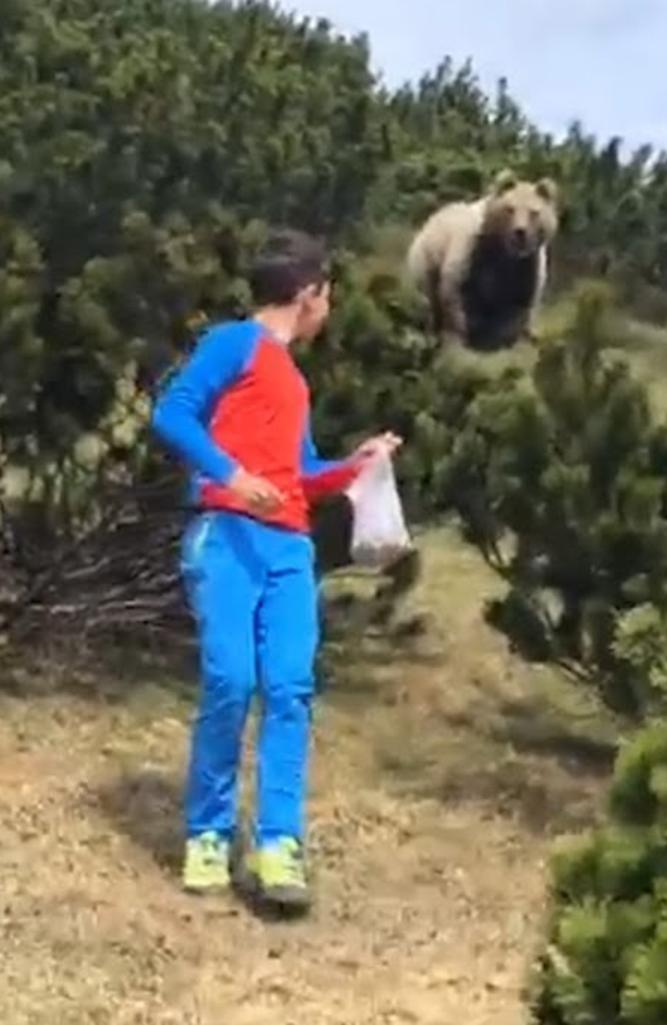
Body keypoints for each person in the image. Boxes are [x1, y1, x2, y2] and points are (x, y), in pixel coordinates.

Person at [152, 229, 401, 909]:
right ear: (310, 292)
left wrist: (358, 464)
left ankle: (277, 845)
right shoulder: (235, 343)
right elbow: (171, 413)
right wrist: (232, 475)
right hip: (226, 534)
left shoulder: (292, 379)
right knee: (230, 679)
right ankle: (208, 834)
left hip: (290, 550)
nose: (331, 309)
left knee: (290, 687)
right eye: (330, 295)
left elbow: (301, 474)